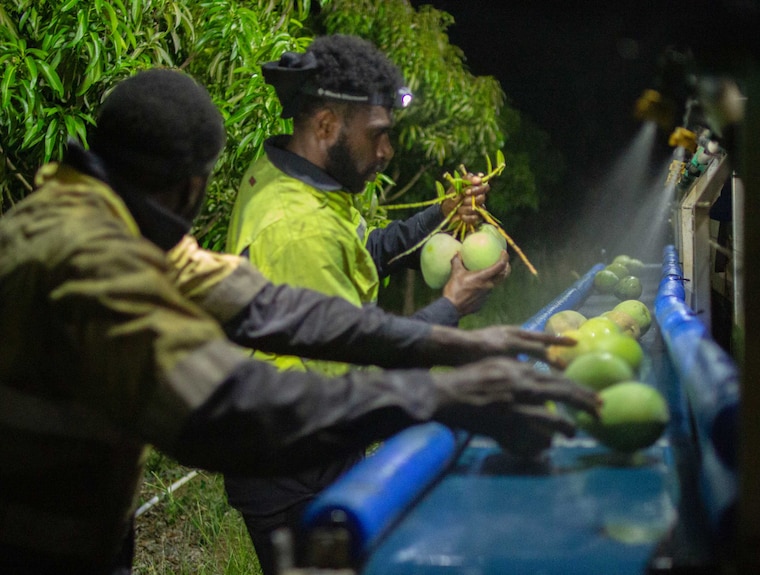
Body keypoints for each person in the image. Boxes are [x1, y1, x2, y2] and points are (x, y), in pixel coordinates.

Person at [0, 68, 598, 574]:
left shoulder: (103, 219)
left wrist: (443, 338)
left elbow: (276, 307)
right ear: (190, 186)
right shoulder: (85, 261)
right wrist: (438, 393)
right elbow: (226, 410)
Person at [223, 34, 511, 573]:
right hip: (290, 462)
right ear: (328, 125)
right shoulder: (298, 228)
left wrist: (439, 214)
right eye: (378, 136)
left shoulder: (298, 184)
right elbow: (357, 370)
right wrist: (449, 306)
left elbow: (364, 253)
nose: (386, 152)